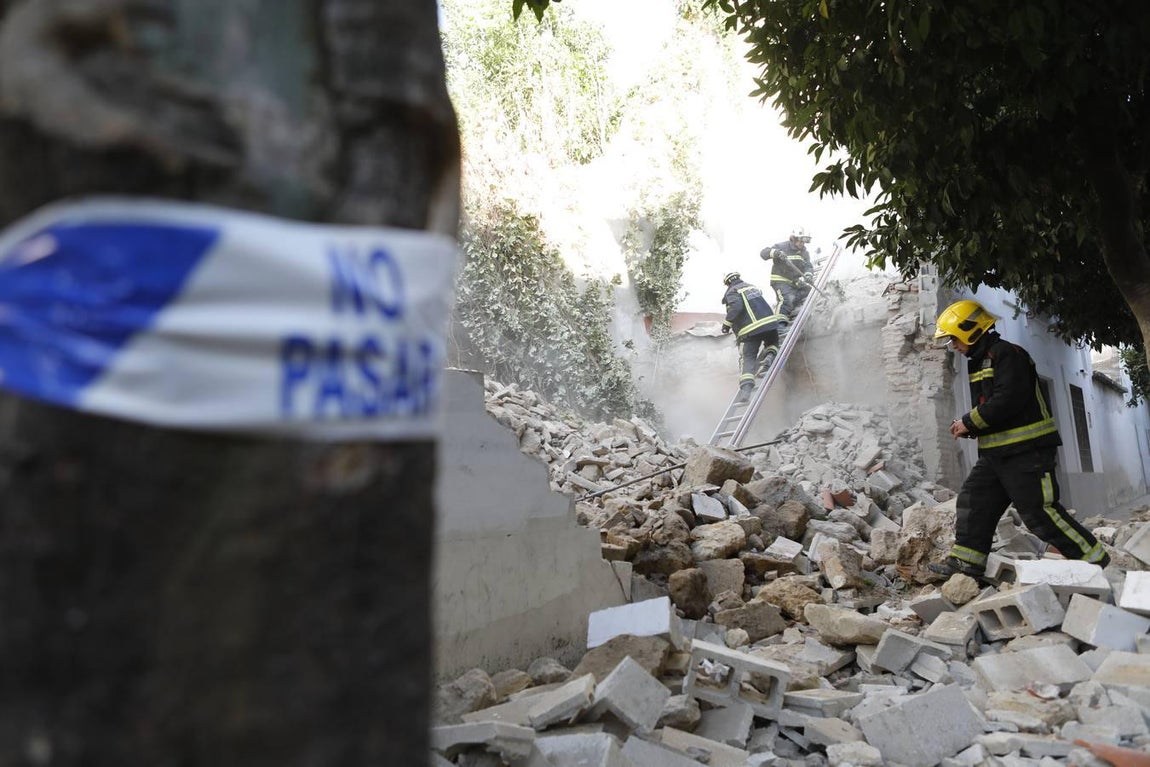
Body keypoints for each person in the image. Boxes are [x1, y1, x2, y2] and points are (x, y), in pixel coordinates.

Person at [928, 299, 1110, 578]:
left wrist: (968, 422)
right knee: (974, 502)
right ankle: (966, 566)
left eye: (954, 338)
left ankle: (1096, 563)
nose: (953, 345)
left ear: (970, 330)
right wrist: (971, 425)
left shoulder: (1008, 354)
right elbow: (995, 407)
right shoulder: (980, 361)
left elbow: (1008, 400)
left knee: (1039, 513)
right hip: (996, 456)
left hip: (1027, 453)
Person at [721, 272, 785, 402]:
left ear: (727, 283)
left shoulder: (732, 292)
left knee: (748, 358)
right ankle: (770, 357)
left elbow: (737, 306)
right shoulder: (752, 287)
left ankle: (746, 390)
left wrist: (726, 324)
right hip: (769, 324)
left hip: (750, 331)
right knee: (772, 342)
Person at [759, 226, 814, 321]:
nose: (802, 244)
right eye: (800, 241)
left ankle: (793, 312)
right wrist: (776, 253)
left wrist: (808, 275)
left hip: (794, 283)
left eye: (803, 242)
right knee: (786, 300)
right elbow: (763, 253)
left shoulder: (804, 253)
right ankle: (779, 325)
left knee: (808, 291)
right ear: (794, 239)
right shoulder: (782, 246)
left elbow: (808, 266)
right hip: (780, 281)